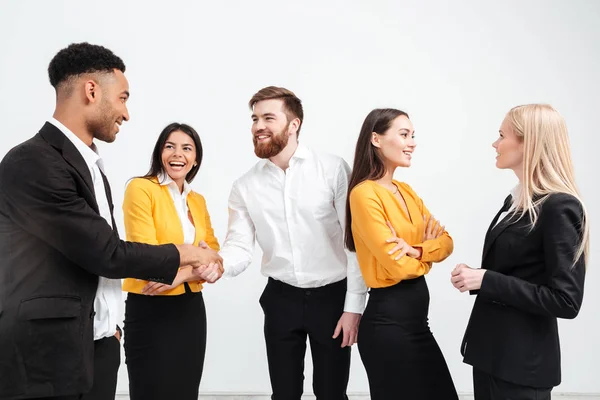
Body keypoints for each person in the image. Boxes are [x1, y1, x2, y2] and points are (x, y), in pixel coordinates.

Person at [0, 42, 221, 400]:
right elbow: (107, 253)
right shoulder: (33, 161)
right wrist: (189, 254)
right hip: (48, 358)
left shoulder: (91, 165)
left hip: (98, 347)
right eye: (123, 98)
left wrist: (111, 332)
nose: (127, 113)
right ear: (91, 90)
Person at [218, 86, 367, 399]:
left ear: (294, 124)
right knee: (283, 394)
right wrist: (216, 265)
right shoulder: (245, 186)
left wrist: (354, 306)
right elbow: (239, 247)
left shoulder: (332, 169)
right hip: (280, 298)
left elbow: (354, 242)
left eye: (268, 118)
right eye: (255, 118)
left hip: (333, 298)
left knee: (331, 393)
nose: (258, 126)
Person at [451, 104, 589, 400]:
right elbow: (517, 270)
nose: (495, 144)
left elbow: (566, 300)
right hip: (492, 356)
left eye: (502, 135)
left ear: (529, 142)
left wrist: (486, 280)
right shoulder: (517, 200)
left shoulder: (559, 207)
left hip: (521, 367)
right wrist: (476, 276)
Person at [346, 108, 458, 399]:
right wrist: (426, 260)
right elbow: (396, 268)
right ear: (376, 139)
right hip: (387, 328)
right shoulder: (364, 194)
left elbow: (446, 242)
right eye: (404, 134)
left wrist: (416, 250)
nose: (412, 142)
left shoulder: (406, 191)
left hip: (418, 325)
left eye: (413, 135)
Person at [121, 122, 222, 400]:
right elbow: (148, 255)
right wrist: (198, 260)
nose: (177, 154)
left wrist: (180, 275)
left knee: (186, 391)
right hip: (150, 305)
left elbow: (216, 256)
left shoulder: (197, 200)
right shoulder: (141, 188)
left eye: (186, 148)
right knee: (149, 390)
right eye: (170, 146)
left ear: (195, 159)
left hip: (190, 309)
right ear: (160, 153)